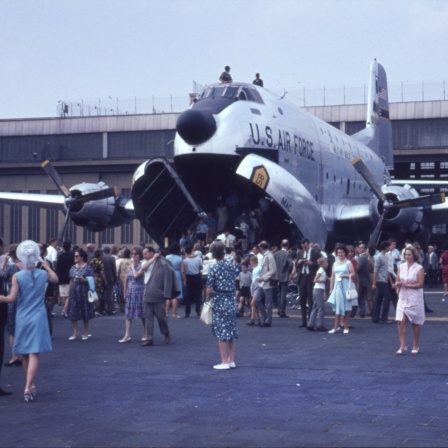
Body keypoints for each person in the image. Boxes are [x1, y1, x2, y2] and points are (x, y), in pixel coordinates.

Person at [0, 240, 58, 402]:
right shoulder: (42, 274)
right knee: (34, 352)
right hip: (38, 314)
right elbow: (55, 278)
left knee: (25, 352)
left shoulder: (17, 276)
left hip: (22, 315)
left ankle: (29, 384)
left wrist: (1, 298)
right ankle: (28, 386)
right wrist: (45, 266)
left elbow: (11, 298)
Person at [137, 247, 178, 347]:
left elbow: (168, 274)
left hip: (158, 294)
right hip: (147, 293)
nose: (144, 256)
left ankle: (166, 332)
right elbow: (143, 269)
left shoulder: (162, 263)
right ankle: (149, 338)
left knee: (161, 317)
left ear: (152, 253)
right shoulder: (144, 263)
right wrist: (153, 258)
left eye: (146, 254)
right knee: (148, 318)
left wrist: (167, 291)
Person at [206, 242, 238, 370]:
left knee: (221, 332)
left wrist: (211, 293)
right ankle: (231, 360)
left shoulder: (213, 268)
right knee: (230, 330)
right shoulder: (231, 266)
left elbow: (208, 290)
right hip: (231, 299)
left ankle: (224, 361)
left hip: (219, 300)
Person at [393, 246, 425, 355]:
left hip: (414, 297)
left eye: (409, 254)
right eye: (406, 254)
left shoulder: (419, 268)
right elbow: (398, 279)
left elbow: (420, 284)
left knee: (415, 322)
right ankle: (403, 345)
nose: (407, 256)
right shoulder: (401, 266)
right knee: (400, 321)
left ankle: (415, 345)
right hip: (402, 297)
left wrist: (406, 284)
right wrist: (397, 284)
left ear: (414, 255)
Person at [118, 246, 147, 343]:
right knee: (128, 314)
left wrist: (132, 266)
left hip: (140, 291)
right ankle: (127, 335)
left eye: (135, 254)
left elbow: (135, 276)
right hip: (130, 291)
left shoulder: (142, 265)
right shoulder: (131, 265)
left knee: (142, 314)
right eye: (132, 254)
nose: (133, 256)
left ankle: (145, 333)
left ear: (140, 255)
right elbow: (126, 279)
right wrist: (125, 293)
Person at [327, 243, 355, 334]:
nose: (340, 254)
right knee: (337, 307)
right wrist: (331, 289)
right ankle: (336, 326)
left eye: (342, 252)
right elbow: (332, 276)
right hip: (337, 287)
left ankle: (345, 325)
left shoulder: (348, 263)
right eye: (339, 253)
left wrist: (344, 275)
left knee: (347, 307)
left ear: (345, 253)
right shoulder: (335, 263)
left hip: (346, 286)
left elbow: (353, 274)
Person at [68, 248, 95, 340]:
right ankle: (75, 331)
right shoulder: (72, 267)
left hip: (84, 290)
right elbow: (71, 280)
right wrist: (69, 291)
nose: (75, 257)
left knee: (85, 310)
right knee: (73, 310)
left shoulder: (88, 267)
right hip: (74, 291)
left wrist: (84, 280)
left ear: (82, 257)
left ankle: (86, 331)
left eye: (77, 256)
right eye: (74, 256)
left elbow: (92, 279)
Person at [2, 244, 22, 367]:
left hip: (12, 299)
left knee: (12, 329)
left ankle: (15, 356)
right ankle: (24, 354)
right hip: (25, 299)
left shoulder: (11, 268)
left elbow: (2, 277)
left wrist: (4, 263)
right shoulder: (27, 267)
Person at [293, 238, 320, 328]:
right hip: (302, 277)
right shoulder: (300, 253)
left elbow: (321, 264)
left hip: (310, 277)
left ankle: (310, 320)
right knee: (302, 300)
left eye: (306, 246)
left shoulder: (315, 253)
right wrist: (300, 262)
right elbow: (296, 265)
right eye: (303, 246)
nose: (304, 248)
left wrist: (311, 263)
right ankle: (303, 321)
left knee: (311, 300)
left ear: (309, 244)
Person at [255, 241, 277, 327]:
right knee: (257, 300)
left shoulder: (269, 256)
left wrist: (263, 277)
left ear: (261, 248)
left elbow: (273, 270)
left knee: (268, 303)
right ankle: (264, 317)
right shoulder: (264, 256)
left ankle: (268, 321)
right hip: (262, 282)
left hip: (267, 282)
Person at [372, 240, 393, 324]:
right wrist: (374, 283)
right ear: (386, 247)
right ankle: (384, 318)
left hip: (383, 280)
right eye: (389, 246)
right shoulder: (379, 257)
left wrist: (390, 281)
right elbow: (375, 271)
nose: (390, 247)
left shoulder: (384, 256)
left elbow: (386, 270)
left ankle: (375, 318)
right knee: (387, 298)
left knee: (379, 299)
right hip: (380, 280)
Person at [307, 257, 329, 332]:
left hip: (317, 289)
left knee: (315, 307)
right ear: (323, 263)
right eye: (326, 262)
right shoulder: (321, 270)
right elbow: (315, 280)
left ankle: (310, 324)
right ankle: (319, 325)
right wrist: (324, 281)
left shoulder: (322, 270)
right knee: (321, 308)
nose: (327, 264)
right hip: (318, 289)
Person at [181, 245, 203, 318]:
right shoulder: (198, 259)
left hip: (189, 277)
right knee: (198, 295)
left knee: (188, 296)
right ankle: (198, 311)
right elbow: (201, 267)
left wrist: (184, 280)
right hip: (197, 277)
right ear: (192, 250)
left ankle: (187, 312)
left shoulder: (184, 261)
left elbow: (183, 271)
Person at [274, 239, 293, 318]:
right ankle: (282, 312)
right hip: (284, 276)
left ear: (281, 245)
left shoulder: (276, 254)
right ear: (287, 245)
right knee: (283, 294)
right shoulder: (287, 254)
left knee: (279, 294)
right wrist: (288, 271)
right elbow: (291, 264)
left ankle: (278, 309)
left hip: (277, 276)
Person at [165, 242, 183, 318]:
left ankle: (166, 313)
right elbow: (182, 270)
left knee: (168, 295)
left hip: (168, 274)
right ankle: (174, 314)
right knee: (175, 295)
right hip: (177, 274)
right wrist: (184, 280)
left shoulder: (167, 257)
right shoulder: (180, 258)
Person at [57, 241, 74, 317]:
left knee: (64, 294)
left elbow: (58, 267)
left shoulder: (60, 256)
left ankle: (64, 309)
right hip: (70, 277)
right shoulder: (72, 256)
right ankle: (66, 310)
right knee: (69, 295)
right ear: (70, 247)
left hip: (62, 278)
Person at [89, 249, 106, 317]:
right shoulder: (100, 262)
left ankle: (92, 309)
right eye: (102, 255)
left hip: (92, 279)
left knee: (93, 294)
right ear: (99, 256)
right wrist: (105, 280)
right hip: (99, 279)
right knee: (99, 296)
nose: (103, 256)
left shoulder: (91, 261)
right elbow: (102, 272)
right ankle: (98, 310)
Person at [102, 246, 118, 315]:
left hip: (101, 278)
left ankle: (101, 309)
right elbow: (114, 269)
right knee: (109, 295)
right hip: (110, 278)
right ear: (109, 250)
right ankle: (110, 309)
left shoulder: (101, 257)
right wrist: (115, 278)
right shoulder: (111, 258)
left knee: (101, 294)